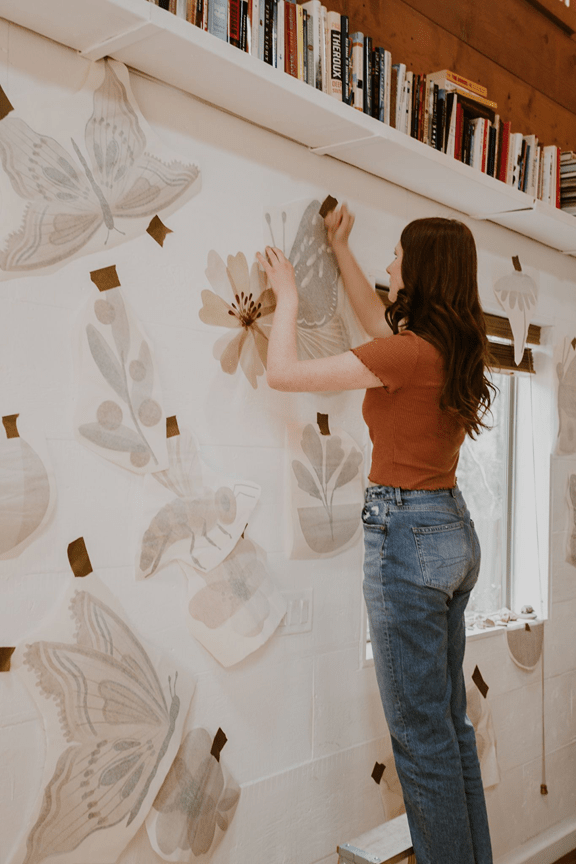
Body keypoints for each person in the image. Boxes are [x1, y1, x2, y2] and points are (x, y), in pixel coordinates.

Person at [256, 206, 495, 864]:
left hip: (406, 534)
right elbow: (373, 316)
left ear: (420, 271)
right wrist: (340, 248)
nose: (390, 269)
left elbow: (282, 374)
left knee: (420, 743)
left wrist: (289, 297)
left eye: (397, 258)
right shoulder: (446, 345)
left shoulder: (405, 353)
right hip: (451, 528)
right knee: (448, 729)